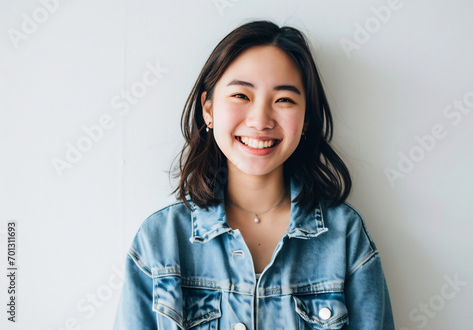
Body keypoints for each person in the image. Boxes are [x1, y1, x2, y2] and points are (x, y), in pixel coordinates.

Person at [114, 20, 394, 329]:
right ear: (208, 109)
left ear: (306, 120)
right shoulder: (160, 241)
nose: (260, 121)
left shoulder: (345, 238)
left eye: (284, 100)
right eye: (241, 96)